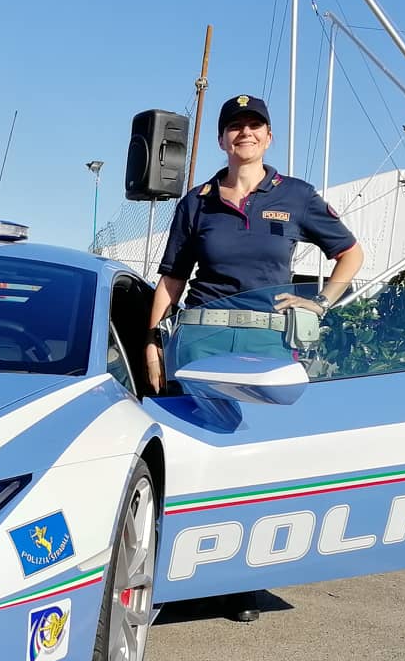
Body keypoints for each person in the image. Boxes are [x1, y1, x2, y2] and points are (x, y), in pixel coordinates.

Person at [143, 93, 364, 623]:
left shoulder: (297, 195)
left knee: (258, 458)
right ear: (222, 139)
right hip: (203, 342)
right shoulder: (196, 202)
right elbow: (172, 279)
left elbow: (350, 253)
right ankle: (180, 571)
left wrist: (321, 301)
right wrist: (153, 341)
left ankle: (242, 581)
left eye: (254, 126)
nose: (245, 134)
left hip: (266, 345)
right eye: (235, 127)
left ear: (268, 136)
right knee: (196, 454)